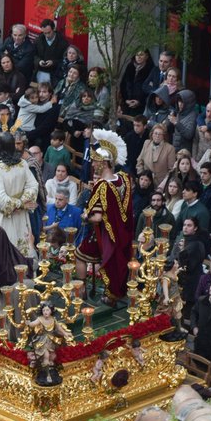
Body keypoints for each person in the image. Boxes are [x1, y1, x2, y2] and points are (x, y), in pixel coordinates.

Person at [76, 129, 134, 306]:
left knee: (79, 254)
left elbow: (98, 217)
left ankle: (81, 291)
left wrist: (85, 216)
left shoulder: (102, 186)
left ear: (104, 163)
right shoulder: (124, 179)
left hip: (106, 236)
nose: (93, 164)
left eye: (95, 161)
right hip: (123, 234)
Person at [0, 132, 39, 258]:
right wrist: (22, 203)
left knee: (4, 253)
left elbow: (0, 200)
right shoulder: (22, 163)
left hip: (5, 218)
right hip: (21, 214)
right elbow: (33, 187)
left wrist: (18, 204)